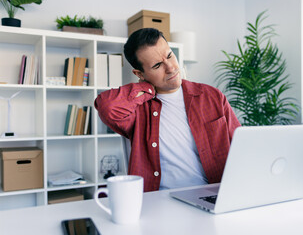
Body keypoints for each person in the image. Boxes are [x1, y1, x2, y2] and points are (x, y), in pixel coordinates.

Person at [95, 28, 241, 192]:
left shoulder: (212, 96)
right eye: (157, 65)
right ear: (139, 73)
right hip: (160, 199)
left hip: (214, 193)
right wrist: (147, 88)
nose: (171, 68)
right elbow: (107, 107)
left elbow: (242, 148)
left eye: (170, 56)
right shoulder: (137, 109)